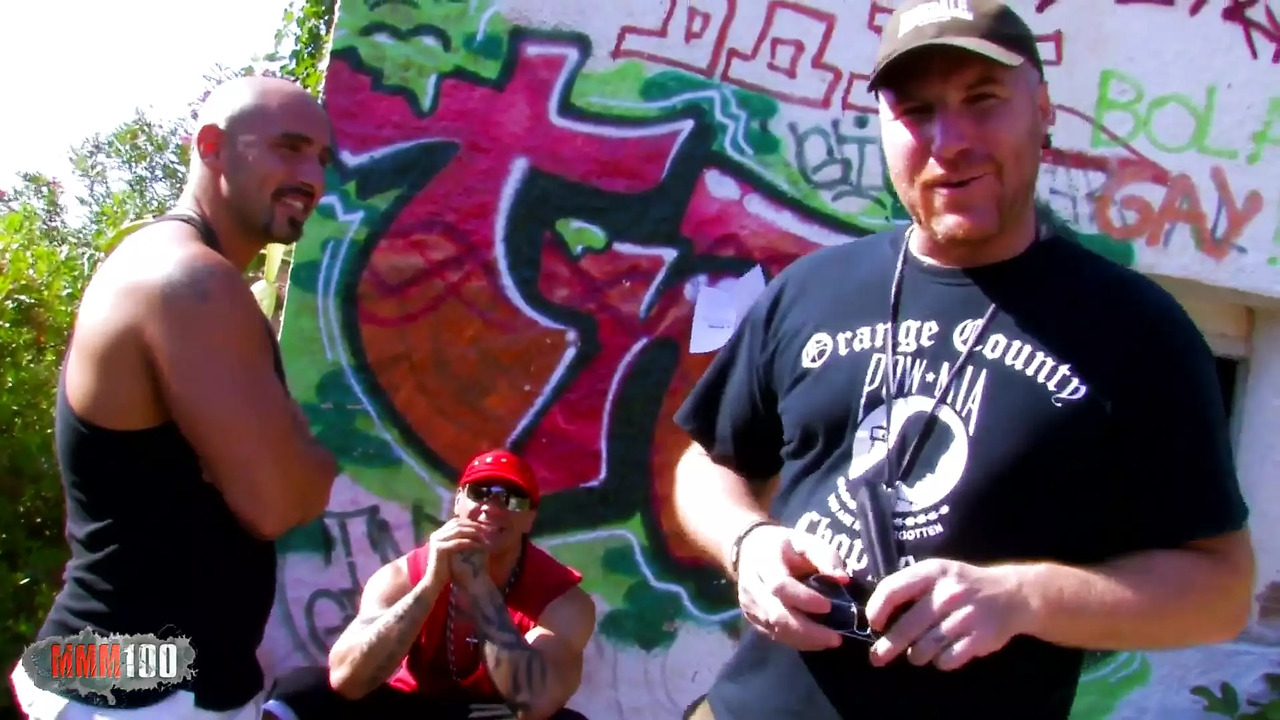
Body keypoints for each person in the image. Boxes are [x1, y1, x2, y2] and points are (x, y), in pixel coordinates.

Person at [671, 1, 1256, 718]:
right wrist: (748, 542)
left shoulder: (1137, 330)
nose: (949, 142)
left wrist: (1023, 596)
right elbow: (710, 465)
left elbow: (1220, 591)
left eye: (982, 100)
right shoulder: (814, 288)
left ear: (1043, 111)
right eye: (916, 111)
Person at [10, 76, 340, 719]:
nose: (311, 176)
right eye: (289, 148)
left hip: (143, 679)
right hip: (133, 693)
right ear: (211, 146)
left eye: (322, 159)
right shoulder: (188, 279)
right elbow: (280, 501)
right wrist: (311, 459)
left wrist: (285, 453)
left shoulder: (178, 268)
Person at [262, 449, 596, 720]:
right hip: (410, 708)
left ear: (530, 518)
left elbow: (535, 704)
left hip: (496, 715)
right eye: (480, 493)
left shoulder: (560, 600)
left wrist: (479, 588)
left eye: (511, 499)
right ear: (458, 502)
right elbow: (348, 680)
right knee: (301, 692)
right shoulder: (403, 576)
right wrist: (430, 584)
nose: (491, 508)